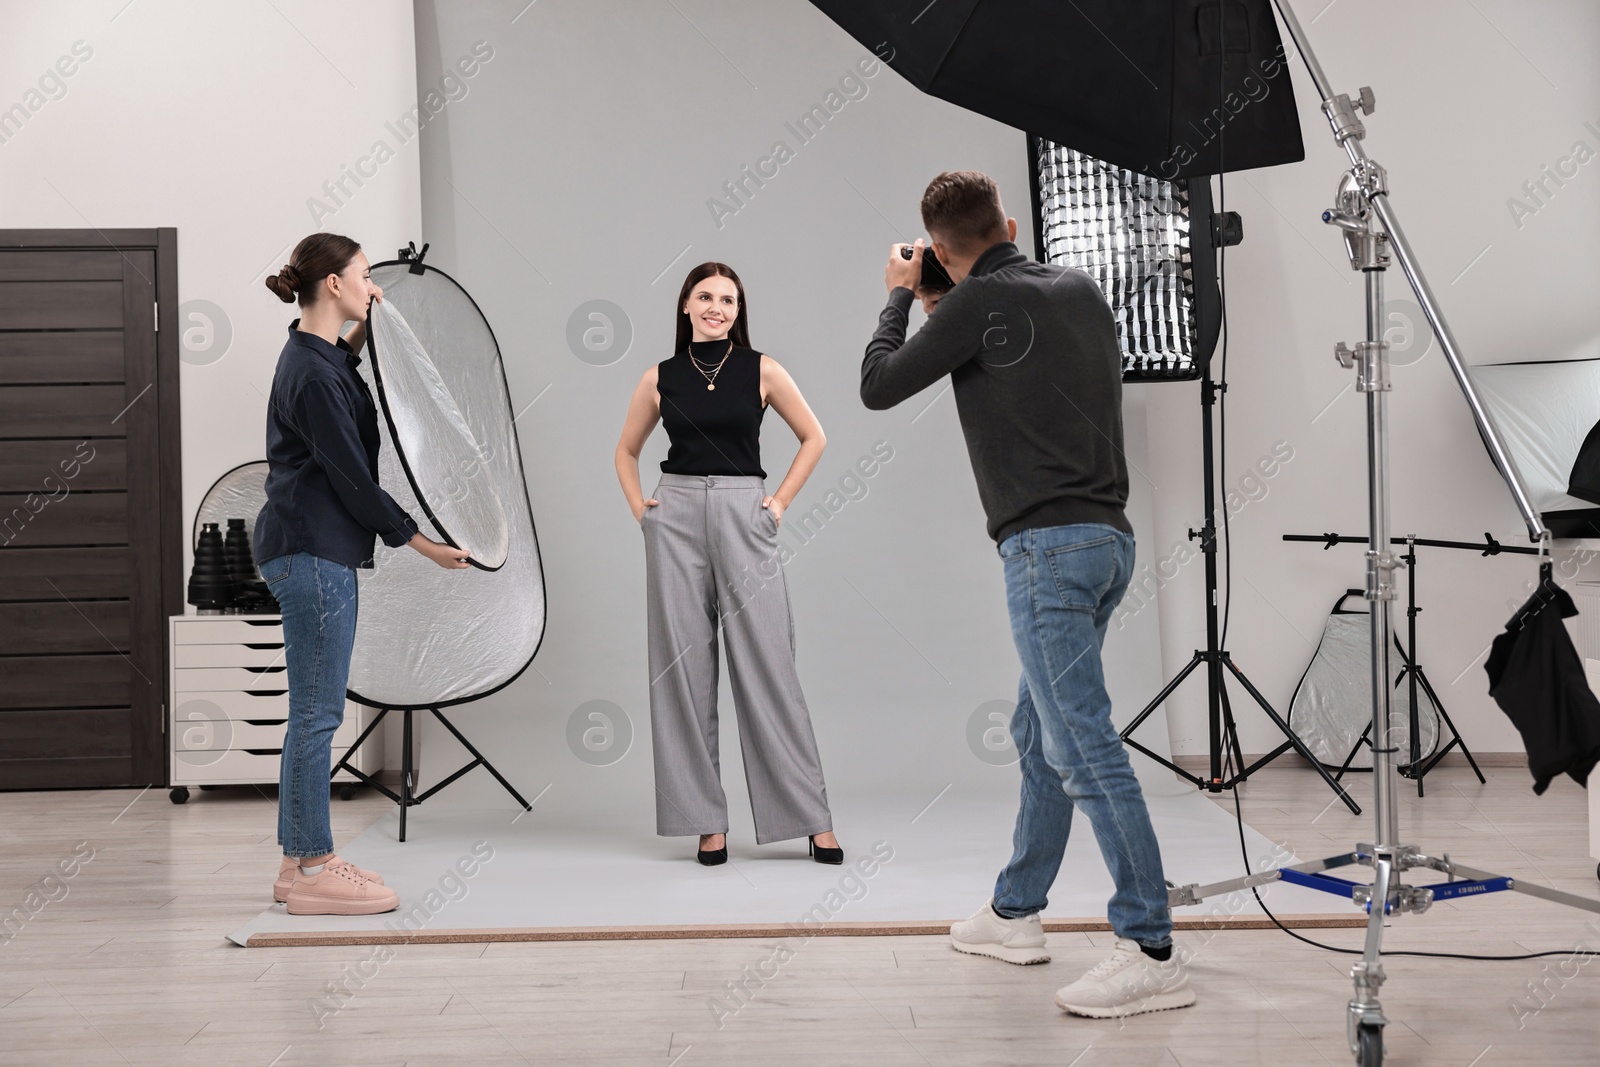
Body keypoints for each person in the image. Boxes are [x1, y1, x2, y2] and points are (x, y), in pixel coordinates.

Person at [859, 172, 1194, 1018]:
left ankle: (1150, 946)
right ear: (1009, 222)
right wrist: (950, 290)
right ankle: (1016, 913)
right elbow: (1006, 349)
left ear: (937, 249)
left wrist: (902, 295)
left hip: (1045, 552)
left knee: (1081, 744)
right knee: (1039, 726)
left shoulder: (967, 305)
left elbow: (880, 382)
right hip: (1108, 541)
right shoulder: (1075, 288)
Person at [255, 233, 472, 915]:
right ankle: (317, 866)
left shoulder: (313, 354)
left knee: (310, 714)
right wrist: (423, 543)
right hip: (312, 550)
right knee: (318, 716)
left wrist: (363, 336)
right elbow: (350, 475)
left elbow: (336, 387)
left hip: (303, 545)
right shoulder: (314, 374)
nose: (372, 286)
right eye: (364, 275)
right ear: (335, 285)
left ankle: (295, 864)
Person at [614, 262, 844, 866]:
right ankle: (705, 821)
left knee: (770, 664)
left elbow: (814, 436)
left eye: (729, 300)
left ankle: (811, 819)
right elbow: (626, 450)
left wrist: (777, 505)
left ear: (738, 312)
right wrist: (644, 510)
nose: (718, 307)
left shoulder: (762, 368)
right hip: (678, 515)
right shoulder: (658, 378)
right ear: (686, 306)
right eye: (706, 296)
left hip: (746, 511)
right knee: (682, 668)